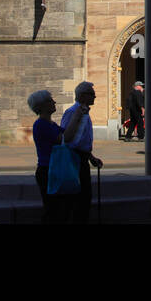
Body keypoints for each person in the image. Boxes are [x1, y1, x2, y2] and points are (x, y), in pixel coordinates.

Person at [59, 81, 102, 223]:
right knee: (78, 199)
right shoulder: (72, 112)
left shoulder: (84, 112)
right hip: (74, 160)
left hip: (82, 158)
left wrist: (90, 156)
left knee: (85, 197)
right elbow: (68, 138)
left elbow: (81, 139)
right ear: (83, 96)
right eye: (92, 94)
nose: (95, 97)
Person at [27, 90, 66, 223]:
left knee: (58, 208)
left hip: (54, 169)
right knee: (53, 210)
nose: (54, 102)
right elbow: (63, 138)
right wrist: (78, 115)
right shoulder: (41, 124)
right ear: (42, 106)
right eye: (50, 101)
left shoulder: (51, 123)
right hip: (47, 170)